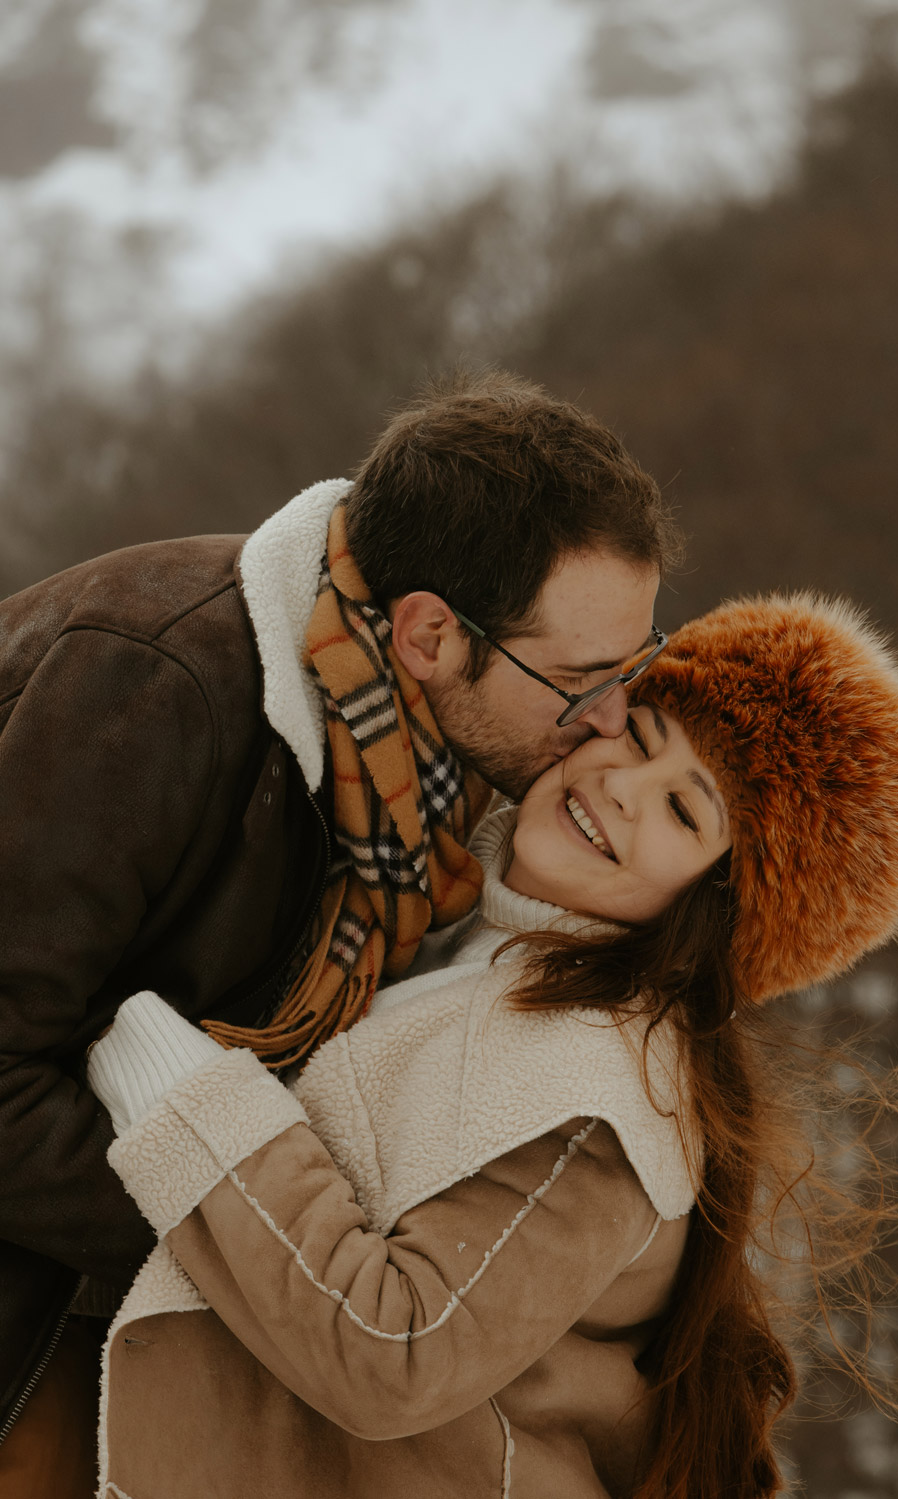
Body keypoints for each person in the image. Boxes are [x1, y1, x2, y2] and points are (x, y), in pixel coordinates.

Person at [87, 591, 898, 1499]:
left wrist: (175, 1090)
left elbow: (397, 1352)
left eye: (684, 813)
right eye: (645, 733)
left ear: (719, 912)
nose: (623, 785)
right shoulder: (438, 917)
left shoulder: (599, 1098)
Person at [0, 369, 680, 1492]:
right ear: (427, 636)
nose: (609, 719)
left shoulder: (435, 777)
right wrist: (253, 1249)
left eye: (634, 663)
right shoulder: (152, 686)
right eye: (578, 679)